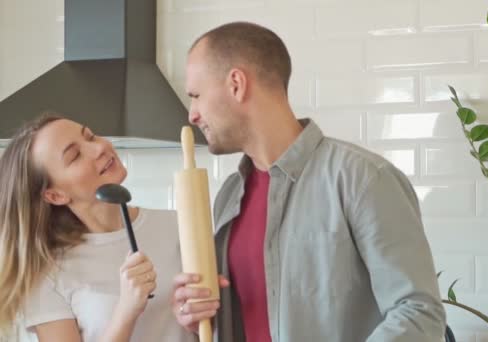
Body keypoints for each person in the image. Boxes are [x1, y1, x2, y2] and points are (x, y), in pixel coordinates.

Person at [171, 22, 447, 341]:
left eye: (196, 95)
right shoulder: (229, 197)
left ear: (236, 84)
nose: (192, 114)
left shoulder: (363, 179)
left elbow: (418, 313)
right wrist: (199, 318)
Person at [0, 114, 225, 341]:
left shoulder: (179, 225)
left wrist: (202, 322)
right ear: (55, 195)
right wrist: (126, 310)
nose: (98, 148)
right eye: (75, 155)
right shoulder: (48, 274)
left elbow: (221, 326)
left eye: (91, 136)